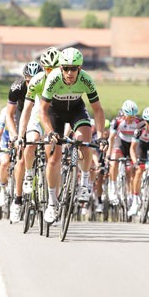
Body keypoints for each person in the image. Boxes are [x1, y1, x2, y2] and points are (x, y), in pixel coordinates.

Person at [39, 47, 107, 224]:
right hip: (55, 113)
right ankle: (52, 203)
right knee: (54, 159)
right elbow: (43, 110)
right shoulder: (53, 79)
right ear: (60, 68)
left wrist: (100, 136)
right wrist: (50, 132)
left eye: (74, 68)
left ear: (80, 68)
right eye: (66, 68)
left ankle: (84, 183)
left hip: (76, 111)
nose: (69, 73)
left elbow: (98, 110)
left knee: (85, 142)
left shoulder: (86, 80)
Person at [2, 61, 41, 223]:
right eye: (28, 80)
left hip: (39, 116)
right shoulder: (17, 87)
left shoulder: (47, 85)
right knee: (21, 158)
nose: (31, 83)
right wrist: (14, 135)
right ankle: (17, 200)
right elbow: (9, 116)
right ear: (24, 78)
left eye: (35, 79)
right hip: (22, 116)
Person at [18, 47, 60, 197]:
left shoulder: (65, 82)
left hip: (54, 119)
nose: (51, 72)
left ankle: (52, 197)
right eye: (48, 69)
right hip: (37, 116)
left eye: (55, 68)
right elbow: (27, 109)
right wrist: (20, 136)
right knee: (31, 143)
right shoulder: (37, 80)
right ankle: (29, 174)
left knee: (54, 159)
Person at [107, 100, 140, 204]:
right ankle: (112, 186)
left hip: (133, 144)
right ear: (124, 114)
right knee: (114, 161)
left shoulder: (139, 122)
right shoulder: (117, 121)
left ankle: (131, 193)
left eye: (133, 117)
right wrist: (109, 153)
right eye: (129, 116)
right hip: (121, 141)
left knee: (133, 168)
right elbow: (111, 138)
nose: (131, 119)